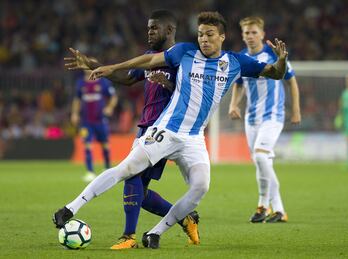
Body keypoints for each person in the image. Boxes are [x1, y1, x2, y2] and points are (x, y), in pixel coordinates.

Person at [54, 11, 288, 249]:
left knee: (200, 187)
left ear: (222, 37)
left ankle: (155, 233)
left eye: (209, 34)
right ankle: (70, 208)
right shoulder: (184, 52)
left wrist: (281, 61)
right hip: (166, 130)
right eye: (200, 34)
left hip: (194, 138)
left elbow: (275, 73)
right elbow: (148, 61)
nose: (204, 39)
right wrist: (111, 66)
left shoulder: (236, 62)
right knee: (127, 170)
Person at [63, 10, 200, 249]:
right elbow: (127, 77)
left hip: (167, 129)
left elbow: (192, 93)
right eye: (148, 28)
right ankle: (185, 218)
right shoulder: (148, 57)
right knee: (141, 193)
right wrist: (94, 65)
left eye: (154, 28)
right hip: (146, 127)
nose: (149, 32)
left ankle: (129, 237)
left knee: (131, 177)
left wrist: (168, 83)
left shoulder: (183, 59)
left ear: (169, 30)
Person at [228, 16, 301, 223]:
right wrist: (234, 104)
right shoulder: (242, 57)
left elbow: (291, 81)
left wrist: (295, 109)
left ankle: (262, 205)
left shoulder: (273, 55)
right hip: (251, 119)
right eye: (246, 33)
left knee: (261, 157)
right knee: (263, 162)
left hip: (273, 116)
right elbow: (239, 84)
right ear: (243, 36)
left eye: (254, 32)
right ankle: (279, 210)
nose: (250, 36)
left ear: (262, 34)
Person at [71, 70, 118, 182]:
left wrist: (110, 107)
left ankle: (107, 168)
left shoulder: (103, 83)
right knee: (87, 144)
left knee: (105, 145)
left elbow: (113, 97)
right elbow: (77, 99)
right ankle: (90, 172)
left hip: (100, 120)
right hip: (85, 121)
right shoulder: (80, 83)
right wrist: (75, 113)